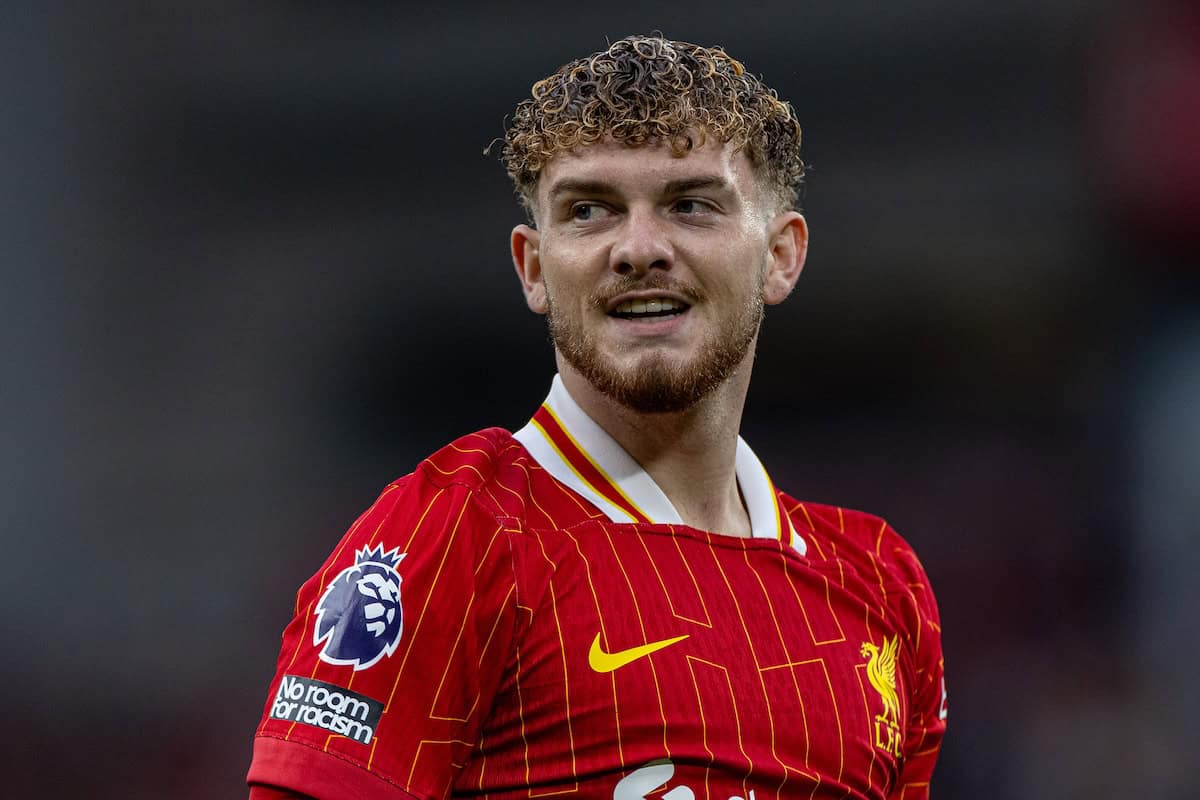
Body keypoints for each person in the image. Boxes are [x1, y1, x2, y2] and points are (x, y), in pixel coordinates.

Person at [246, 34, 947, 800]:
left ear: (781, 255)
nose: (639, 248)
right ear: (535, 268)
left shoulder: (883, 587)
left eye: (690, 204)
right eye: (589, 211)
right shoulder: (454, 537)